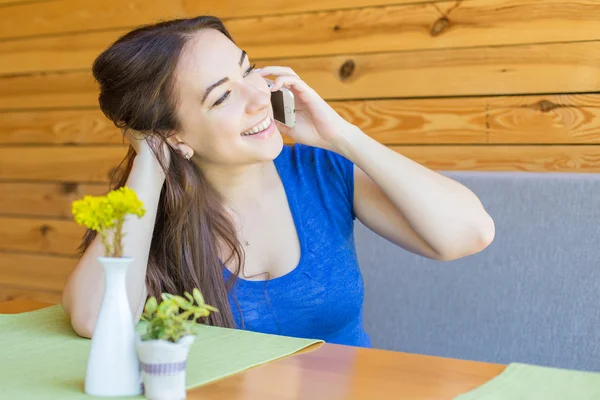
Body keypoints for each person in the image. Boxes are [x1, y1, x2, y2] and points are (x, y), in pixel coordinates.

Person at [61, 16, 495, 347]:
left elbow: (469, 233)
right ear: (174, 135)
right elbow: (96, 320)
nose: (257, 97)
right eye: (223, 96)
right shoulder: (148, 210)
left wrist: (340, 135)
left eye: (248, 69)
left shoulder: (320, 172)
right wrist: (149, 168)